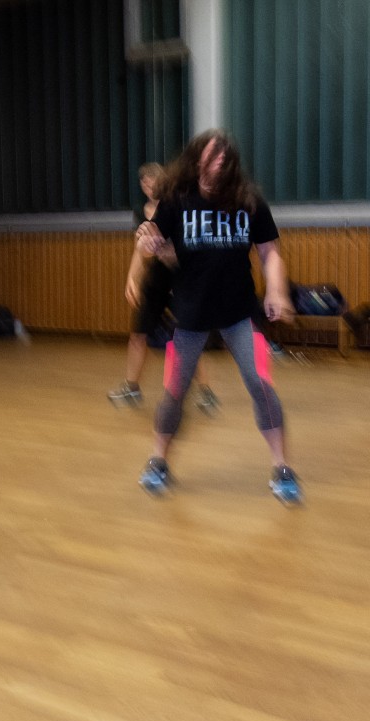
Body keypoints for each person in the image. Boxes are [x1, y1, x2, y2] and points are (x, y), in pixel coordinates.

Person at [133, 130, 300, 503]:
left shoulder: (248, 200)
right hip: (189, 315)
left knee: (261, 385)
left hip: (239, 313)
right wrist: (149, 246)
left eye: (223, 164)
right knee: (175, 391)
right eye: (210, 162)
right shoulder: (177, 200)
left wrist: (275, 290)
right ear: (196, 162)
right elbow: (154, 243)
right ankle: (158, 462)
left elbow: (270, 253)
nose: (216, 170)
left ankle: (282, 469)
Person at [109, 162, 217, 414]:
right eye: (144, 182)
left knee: (189, 335)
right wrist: (131, 279)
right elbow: (141, 248)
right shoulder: (141, 212)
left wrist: (175, 259)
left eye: (152, 181)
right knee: (138, 333)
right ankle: (132, 387)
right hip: (156, 279)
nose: (148, 186)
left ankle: (206, 392)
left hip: (181, 278)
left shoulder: (178, 206)